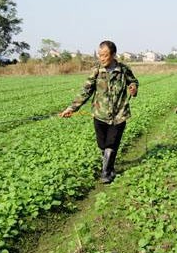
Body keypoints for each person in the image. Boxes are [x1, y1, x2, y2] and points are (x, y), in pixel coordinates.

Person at [59, 40, 139, 183]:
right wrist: (71, 108)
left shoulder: (123, 70)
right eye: (100, 55)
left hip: (119, 115)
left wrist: (133, 87)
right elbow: (85, 91)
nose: (102, 58)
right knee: (102, 145)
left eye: (105, 55)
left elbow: (133, 81)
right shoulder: (96, 71)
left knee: (111, 143)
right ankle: (110, 167)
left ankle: (106, 174)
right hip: (100, 114)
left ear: (113, 55)